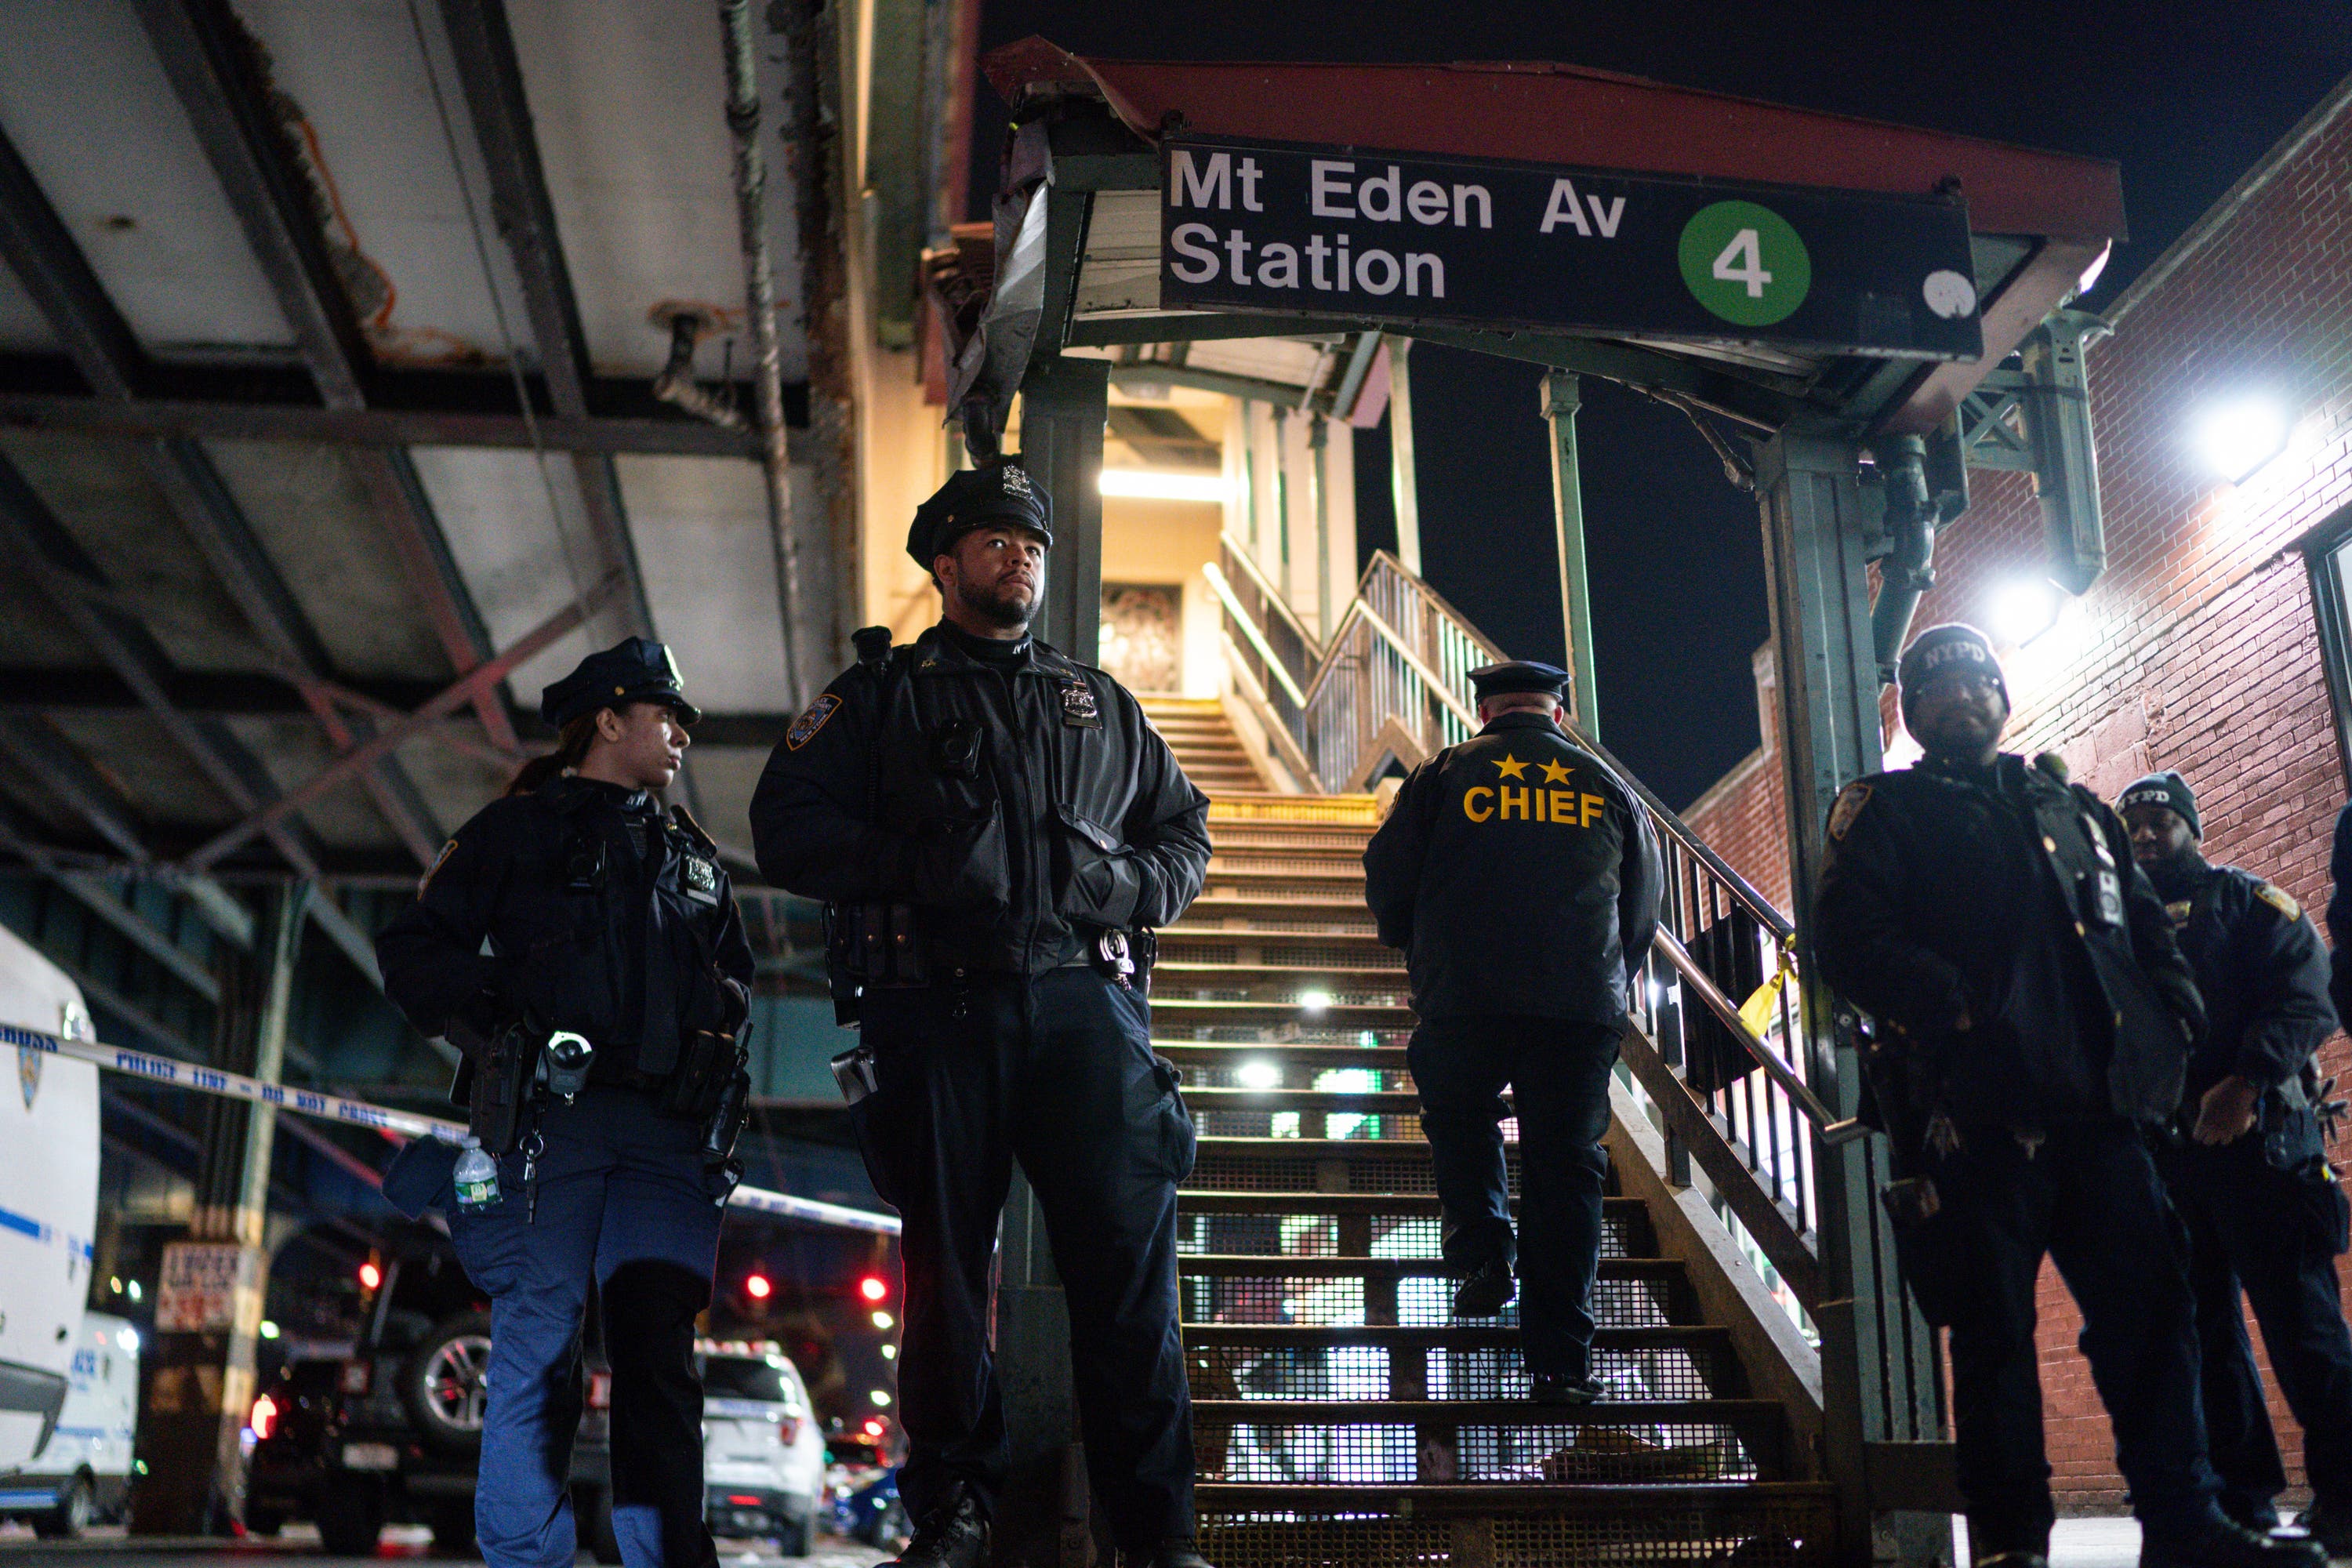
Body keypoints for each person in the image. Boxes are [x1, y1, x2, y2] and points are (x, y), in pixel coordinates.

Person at [748, 461, 1214, 1568]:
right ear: (946, 563)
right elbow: (786, 826)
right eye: (996, 540)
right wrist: (919, 866)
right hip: (937, 1012)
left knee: (1128, 1283)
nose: (1021, 557)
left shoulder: (1100, 704)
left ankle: (1155, 1534)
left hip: (1087, 1012)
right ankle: (952, 1513)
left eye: (1033, 543)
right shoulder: (877, 699)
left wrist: (1122, 890)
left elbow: (1184, 838)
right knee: (950, 1280)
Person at [1812, 622, 2320, 1568]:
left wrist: (2170, 1020)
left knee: (2156, 1317)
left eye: (1976, 682)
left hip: (2105, 1124)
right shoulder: (1885, 810)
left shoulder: (2076, 808)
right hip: (1977, 1122)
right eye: (1937, 689)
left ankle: (2184, 1522)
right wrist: (1960, 1010)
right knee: (1995, 1338)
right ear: (1913, 713)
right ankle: (2013, 1545)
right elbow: (1846, 939)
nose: (1960, 697)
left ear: (2002, 697)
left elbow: (2145, 937)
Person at [376, 637, 754, 1568]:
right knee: (539, 1340)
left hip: (668, 1141)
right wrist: (509, 1015)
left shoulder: (695, 860)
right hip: (556, 1122)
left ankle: (666, 1554)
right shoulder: (515, 831)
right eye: (665, 715)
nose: (680, 735)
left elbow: (735, 987)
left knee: (659, 1357)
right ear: (610, 720)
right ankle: (523, 1552)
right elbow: (415, 951)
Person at [1359, 659, 1661, 1404]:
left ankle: (1481, 1254)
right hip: (1578, 1004)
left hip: (1465, 995)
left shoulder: (1443, 775)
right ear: (1557, 715)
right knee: (1567, 1170)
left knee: (1460, 1116)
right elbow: (1643, 906)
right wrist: (1608, 978)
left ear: (1484, 713)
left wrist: (1410, 944)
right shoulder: (1607, 785)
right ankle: (1560, 1363)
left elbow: (1388, 876)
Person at [2121, 770, 2352, 1548]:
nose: (2148, 835)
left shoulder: (2244, 901)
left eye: (2162, 820)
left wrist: (2244, 1084)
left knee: (2306, 1330)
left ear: (2194, 826)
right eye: (2134, 826)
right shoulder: (2120, 931)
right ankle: (2243, 1505)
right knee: (2208, 1342)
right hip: (2174, 1170)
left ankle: (2348, 1496)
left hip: (2264, 1155)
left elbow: (2309, 994)